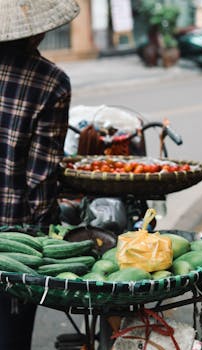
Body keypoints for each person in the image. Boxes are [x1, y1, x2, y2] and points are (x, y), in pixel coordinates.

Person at [0, 1, 80, 349]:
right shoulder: (51, 82)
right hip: (14, 243)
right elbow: (40, 178)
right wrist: (47, 233)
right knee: (10, 336)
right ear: (36, 30)